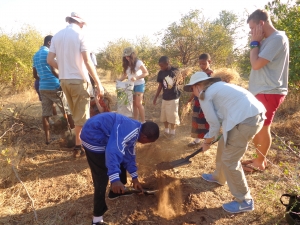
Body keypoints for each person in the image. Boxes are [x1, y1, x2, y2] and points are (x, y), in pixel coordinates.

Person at [184, 71, 266, 213]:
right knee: (223, 144)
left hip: (246, 120)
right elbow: (221, 118)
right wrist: (211, 139)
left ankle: (245, 201)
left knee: (230, 160)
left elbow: (214, 124)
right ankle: (219, 176)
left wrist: (207, 142)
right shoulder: (219, 86)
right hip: (249, 116)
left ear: (197, 86)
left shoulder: (205, 95)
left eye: (192, 89)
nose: (193, 92)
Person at [80, 112, 159, 225]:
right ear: (144, 137)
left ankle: (116, 192)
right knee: (101, 177)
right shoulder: (129, 131)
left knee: (121, 157)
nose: (146, 144)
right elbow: (112, 151)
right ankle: (97, 219)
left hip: (101, 132)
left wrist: (135, 178)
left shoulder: (136, 130)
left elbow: (129, 156)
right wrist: (114, 179)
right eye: (148, 142)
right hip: (93, 136)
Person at [47, 12, 105, 157]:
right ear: (80, 23)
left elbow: (50, 60)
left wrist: (64, 68)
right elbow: (87, 61)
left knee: (77, 115)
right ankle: (86, 147)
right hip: (79, 80)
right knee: (83, 117)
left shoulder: (57, 36)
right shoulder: (81, 35)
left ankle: (78, 146)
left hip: (64, 81)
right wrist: (98, 83)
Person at [243, 9, 289, 172]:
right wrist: (257, 41)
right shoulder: (267, 40)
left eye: (252, 28)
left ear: (261, 24)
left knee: (263, 127)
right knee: (258, 126)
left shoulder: (277, 38)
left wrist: (254, 42)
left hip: (270, 90)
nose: (251, 32)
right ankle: (259, 158)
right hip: (262, 90)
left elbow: (256, 64)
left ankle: (260, 162)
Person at [33, 35, 74, 145]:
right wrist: (62, 80)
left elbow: (34, 75)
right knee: (67, 110)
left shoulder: (35, 55)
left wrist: (43, 79)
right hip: (55, 86)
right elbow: (54, 70)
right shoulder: (49, 53)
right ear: (50, 43)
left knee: (45, 114)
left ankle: (47, 140)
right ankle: (74, 136)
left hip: (43, 87)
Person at [186, 53, 213, 147]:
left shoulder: (212, 75)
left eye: (204, 63)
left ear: (209, 62)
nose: (202, 66)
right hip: (198, 101)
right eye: (200, 64)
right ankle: (197, 140)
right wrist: (190, 99)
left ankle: (207, 141)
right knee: (197, 120)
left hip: (207, 101)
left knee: (206, 120)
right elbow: (195, 88)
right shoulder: (199, 75)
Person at [118, 47, 149, 123]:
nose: (126, 57)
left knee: (138, 103)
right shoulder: (126, 64)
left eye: (128, 56)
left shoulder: (138, 62)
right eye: (125, 56)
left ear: (132, 55)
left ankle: (143, 121)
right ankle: (136, 121)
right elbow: (125, 75)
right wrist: (118, 81)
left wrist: (137, 77)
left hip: (139, 84)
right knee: (134, 104)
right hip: (130, 85)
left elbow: (146, 73)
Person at [153, 56, 180, 139]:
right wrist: (156, 97)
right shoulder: (161, 73)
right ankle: (166, 131)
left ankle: (172, 133)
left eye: (162, 66)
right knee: (164, 115)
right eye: (160, 66)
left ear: (167, 64)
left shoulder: (175, 71)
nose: (161, 68)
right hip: (165, 97)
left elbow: (180, 81)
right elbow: (160, 85)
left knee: (172, 116)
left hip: (173, 97)